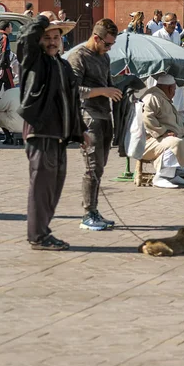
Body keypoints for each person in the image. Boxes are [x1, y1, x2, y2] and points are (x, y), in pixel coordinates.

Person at [17, 12, 87, 251]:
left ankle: (43, 232)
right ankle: (37, 236)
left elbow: (72, 101)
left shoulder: (63, 65)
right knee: (41, 188)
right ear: (39, 40)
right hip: (41, 133)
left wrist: (81, 131)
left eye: (55, 37)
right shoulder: (34, 61)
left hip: (59, 136)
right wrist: (42, 20)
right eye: (46, 37)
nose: (51, 42)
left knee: (53, 189)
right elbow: (25, 38)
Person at [68, 18, 122, 231]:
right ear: (96, 38)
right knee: (92, 167)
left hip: (105, 116)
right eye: (107, 44)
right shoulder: (78, 57)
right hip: (88, 117)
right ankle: (88, 213)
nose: (109, 48)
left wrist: (121, 88)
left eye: (112, 45)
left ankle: (94, 210)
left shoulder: (104, 57)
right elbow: (72, 90)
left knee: (99, 167)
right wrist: (102, 91)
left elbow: (108, 84)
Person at [141, 74, 184, 188]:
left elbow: (179, 123)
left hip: (163, 139)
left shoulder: (164, 99)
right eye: (174, 89)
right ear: (169, 88)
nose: (174, 93)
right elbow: (146, 119)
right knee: (175, 143)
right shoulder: (152, 97)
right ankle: (162, 176)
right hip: (149, 141)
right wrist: (163, 132)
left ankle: (172, 175)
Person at [152, 12, 184, 110]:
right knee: (160, 97)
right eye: (171, 23)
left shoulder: (177, 34)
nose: (174, 25)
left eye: (175, 23)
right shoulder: (157, 35)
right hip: (161, 70)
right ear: (164, 24)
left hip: (175, 70)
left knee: (177, 96)